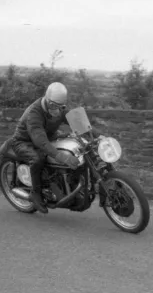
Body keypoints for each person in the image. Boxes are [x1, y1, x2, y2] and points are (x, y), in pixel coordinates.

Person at [11, 82, 99, 214]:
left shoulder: (59, 109)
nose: (56, 109)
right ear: (46, 99)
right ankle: (36, 194)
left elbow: (80, 125)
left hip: (47, 138)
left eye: (60, 106)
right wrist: (62, 157)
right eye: (53, 105)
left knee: (74, 147)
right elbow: (40, 141)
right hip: (24, 142)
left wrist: (100, 136)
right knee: (38, 158)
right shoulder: (34, 113)